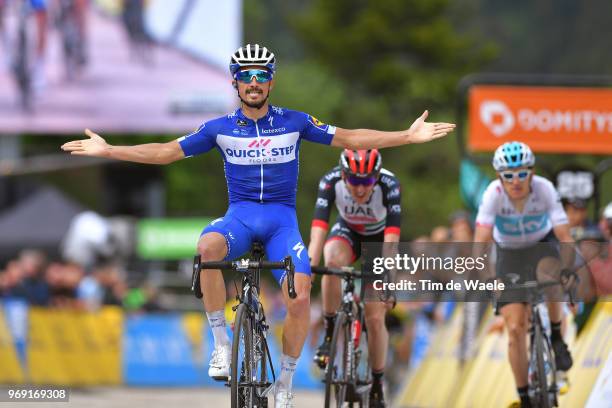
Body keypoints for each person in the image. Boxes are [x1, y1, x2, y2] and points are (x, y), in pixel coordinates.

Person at [61, 43, 455, 407]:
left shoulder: (295, 122)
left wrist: (406, 135)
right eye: (246, 75)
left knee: (300, 296)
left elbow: (351, 137)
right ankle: (220, 342)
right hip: (240, 218)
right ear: (234, 81)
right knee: (207, 248)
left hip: (282, 222)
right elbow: (167, 151)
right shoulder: (218, 128)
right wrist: (110, 149)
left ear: (271, 81)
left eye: (261, 74)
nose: (254, 82)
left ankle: (283, 383)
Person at [473, 141, 574, 408]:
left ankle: (556, 337)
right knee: (515, 328)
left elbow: (564, 236)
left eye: (522, 173)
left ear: (532, 172)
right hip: (509, 255)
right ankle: (525, 396)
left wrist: (567, 270)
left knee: (550, 275)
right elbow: (480, 245)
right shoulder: (492, 195)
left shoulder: (545, 189)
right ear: (499, 177)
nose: (515, 181)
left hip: (542, 245)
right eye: (508, 175)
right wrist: (489, 280)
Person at [308, 149, 400, 407]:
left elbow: (392, 240)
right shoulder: (330, 181)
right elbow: (318, 232)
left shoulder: (390, 185)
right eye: (355, 181)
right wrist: (310, 269)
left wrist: (388, 278)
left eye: (367, 181)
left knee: (374, 314)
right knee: (331, 258)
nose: (361, 189)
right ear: (344, 175)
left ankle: (378, 384)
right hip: (347, 231)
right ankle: (329, 335)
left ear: (377, 177)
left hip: (379, 241)